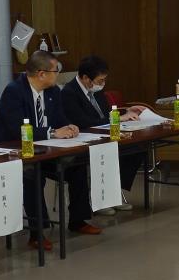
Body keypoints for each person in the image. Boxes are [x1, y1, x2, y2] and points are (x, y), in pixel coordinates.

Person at [0, 50, 100, 249]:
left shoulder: (53, 91)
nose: (58, 74)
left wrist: (69, 126)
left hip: (44, 149)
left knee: (77, 165)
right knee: (33, 175)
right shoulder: (14, 91)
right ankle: (37, 232)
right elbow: (16, 129)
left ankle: (78, 220)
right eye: (55, 70)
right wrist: (52, 133)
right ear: (41, 74)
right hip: (13, 150)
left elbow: (59, 119)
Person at [58, 54, 148, 212]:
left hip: (105, 133)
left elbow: (105, 114)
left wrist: (125, 111)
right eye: (100, 80)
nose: (103, 84)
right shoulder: (69, 93)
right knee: (107, 150)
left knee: (137, 147)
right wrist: (117, 119)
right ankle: (99, 197)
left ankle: (112, 193)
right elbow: (84, 122)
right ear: (86, 78)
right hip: (85, 138)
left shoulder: (96, 89)